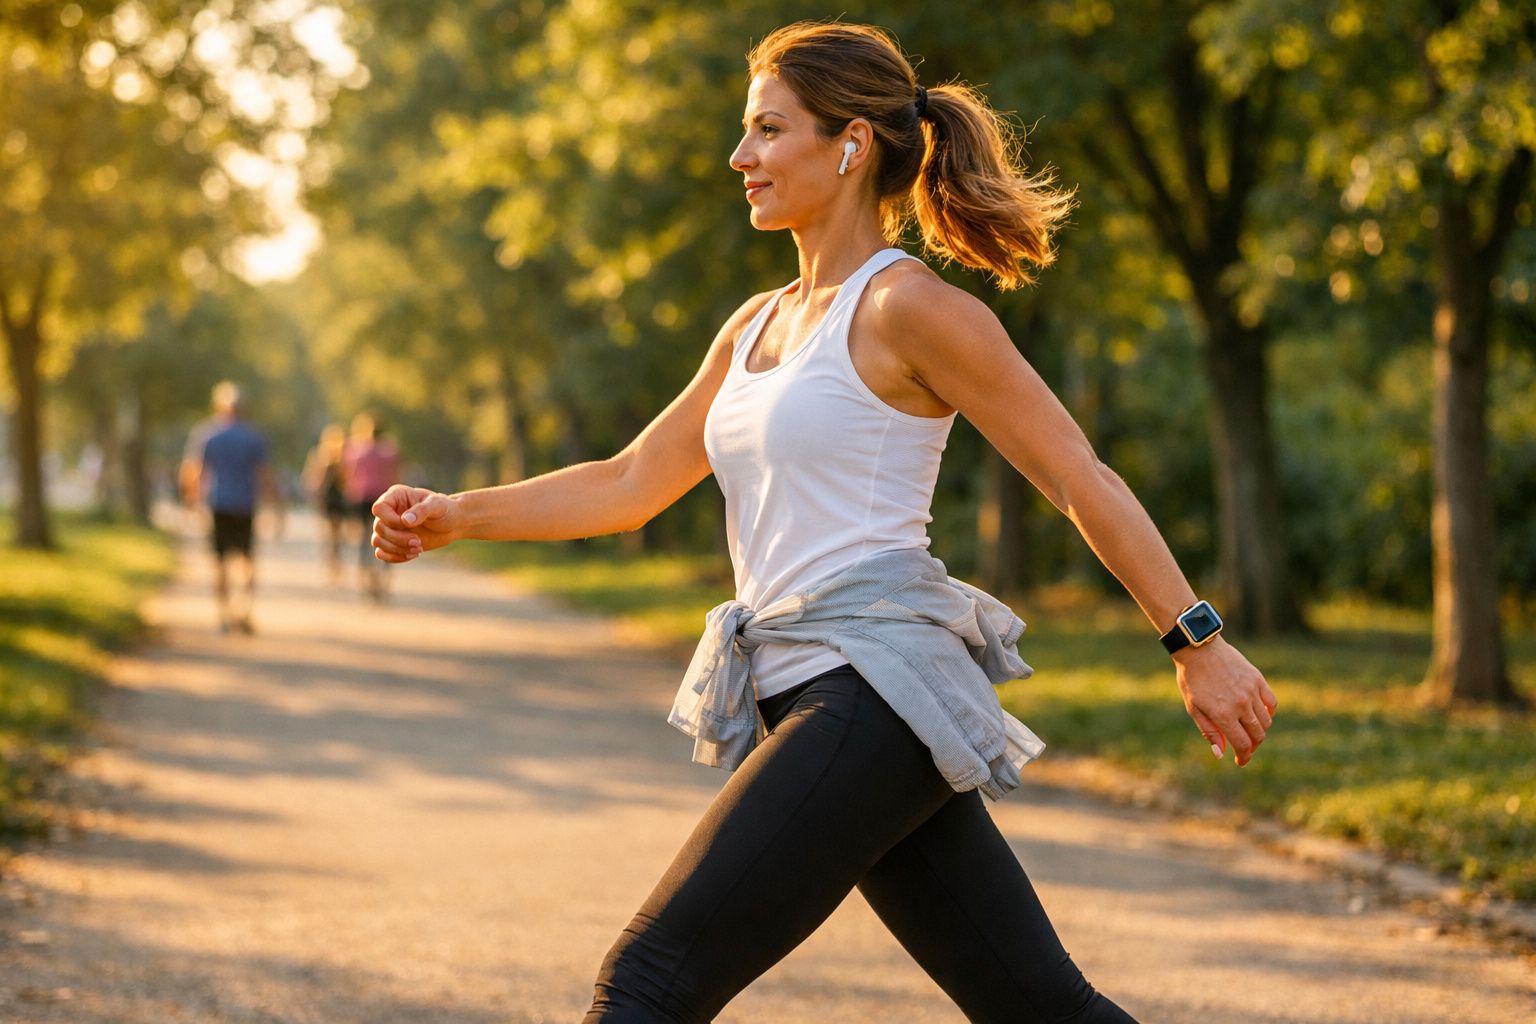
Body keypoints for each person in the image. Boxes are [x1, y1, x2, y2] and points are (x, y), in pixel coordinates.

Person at [370, 21, 1278, 1023]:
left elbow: (1077, 475)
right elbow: (632, 480)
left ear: (848, 145)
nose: (740, 157)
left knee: (647, 982)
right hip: (809, 690)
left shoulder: (905, 309)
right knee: (1038, 1006)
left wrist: (1197, 641)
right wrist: (459, 515)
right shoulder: (754, 324)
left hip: (873, 692)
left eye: (767, 130)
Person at [180, 381, 283, 634]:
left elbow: (194, 472)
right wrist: (277, 507)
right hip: (245, 505)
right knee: (248, 560)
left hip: (219, 504)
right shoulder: (254, 437)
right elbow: (266, 475)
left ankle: (224, 616)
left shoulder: (207, 435)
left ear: (219, 406)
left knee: (220, 562)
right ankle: (245, 611)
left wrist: (191, 502)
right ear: (243, 408)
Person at [342, 413, 400, 602]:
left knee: (364, 539)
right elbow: (396, 476)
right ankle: (382, 580)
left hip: (362, 499)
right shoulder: (390, 452)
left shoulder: (356, 451)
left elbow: (349, 477)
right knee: (386, 539)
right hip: (383, 498)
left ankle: (365, 580)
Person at [302, 423, 351, 583]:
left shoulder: (320, 455)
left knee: (328, 533)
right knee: (336, 534)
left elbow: (314, 479)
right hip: (339, 499)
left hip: (327, 499)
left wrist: (314, 494)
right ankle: (335, 561)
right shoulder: (343, 457)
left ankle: (331, 562)